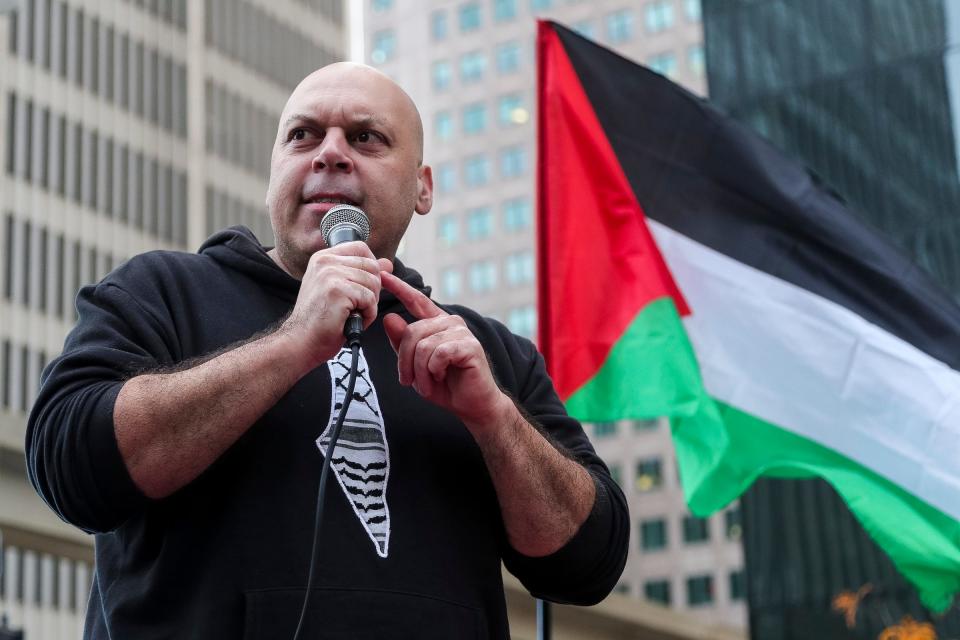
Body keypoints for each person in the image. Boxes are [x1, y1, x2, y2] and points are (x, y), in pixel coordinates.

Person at [26, 62, 629, 639]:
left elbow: (588, 563)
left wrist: (494, 420)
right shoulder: (160, 291)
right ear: (273, 175)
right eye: (302, 135)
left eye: (366, 138)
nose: (330, 152)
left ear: (423, 188)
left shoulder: (486, 351)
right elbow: (71, 470)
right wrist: (293, 342)